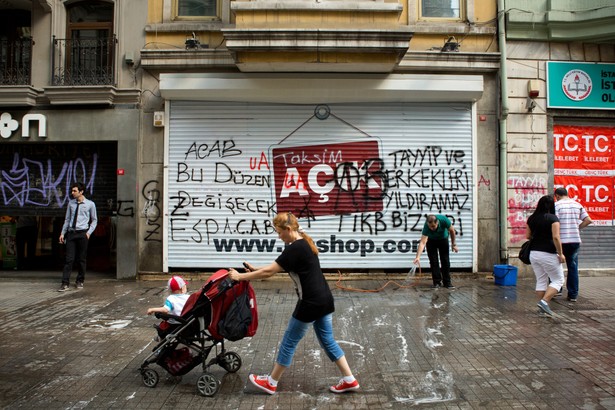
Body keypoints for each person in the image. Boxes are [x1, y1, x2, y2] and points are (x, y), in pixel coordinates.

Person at [228, 212, 359, 395]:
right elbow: (276, 268)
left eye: (279, 232)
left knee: (289, 341)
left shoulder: (294, 248)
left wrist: (240, 276)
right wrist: (255, 269)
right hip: (324, 300)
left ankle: (271, 382)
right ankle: (349, 380)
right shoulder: (303, 243)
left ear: (288, 229)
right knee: (328, 340)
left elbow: (269, 273)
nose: (278, 235)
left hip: (310, 303)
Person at [526, 195, 565, 316]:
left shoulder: (531, 218)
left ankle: (542, 308)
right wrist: (561, 253)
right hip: (548, 253)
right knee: (558, 280)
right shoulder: (553, 219)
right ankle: (544, 301)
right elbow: (556, 237)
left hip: (534, 253)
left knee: (541, 280)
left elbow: (528, 236)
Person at [554, 187, 592, 302]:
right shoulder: (577, 204)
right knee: (573, 267)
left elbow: (553, 222)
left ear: (557, 196)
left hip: (560, 241)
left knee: (556, 266)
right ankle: (573, 294)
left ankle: (556, 290)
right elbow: (588, 220)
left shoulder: (557, 206)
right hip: (574, 240)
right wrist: (577, 228)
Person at [58, 182, 98, 292]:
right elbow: (67, 219)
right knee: (69, 259)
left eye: (74, 191)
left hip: (82, 234)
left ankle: (80, 280)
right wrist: (62, 233)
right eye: (72, 190)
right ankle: (65, 283)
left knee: (81, 259)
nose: (72, 193)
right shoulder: (71, 204)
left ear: (81, 192)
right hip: (71, 233)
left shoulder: (90, 204)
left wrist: (89, 232)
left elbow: (94, 220)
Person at [413, 214, 458, 289]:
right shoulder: (426, 227)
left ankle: (447, 282)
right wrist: (417, 257)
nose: (431, 228)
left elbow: (452, 231)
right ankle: (437, 282)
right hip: (431, 241)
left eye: (433, 226)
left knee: (445, 260)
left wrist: (454, 244)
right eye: (430, 226)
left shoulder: (444, 220)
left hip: (443, 239)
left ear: (437, 223)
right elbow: (422, 242)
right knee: (433, 261)